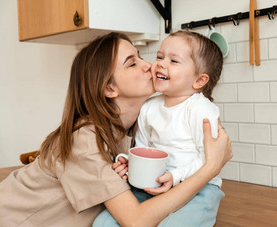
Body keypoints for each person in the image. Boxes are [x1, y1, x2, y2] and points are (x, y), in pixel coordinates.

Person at [0, 32, 232, 226]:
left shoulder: (132, 130)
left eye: (140, 57)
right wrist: (211, 167)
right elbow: (136, 221)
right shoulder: (85, 140)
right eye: (132, 63)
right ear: (109, 88)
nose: (150, 65)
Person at [94, 30, 225, 227]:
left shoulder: (202, 109)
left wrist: (175, 176)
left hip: (200, 188)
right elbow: (143, 148)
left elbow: (210, 159)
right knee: (102, 223)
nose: (160, 64)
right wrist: (131, 162)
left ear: (199, 80)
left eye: (174, 61)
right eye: (160, 56)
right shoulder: (149, 106)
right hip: (154, 185)